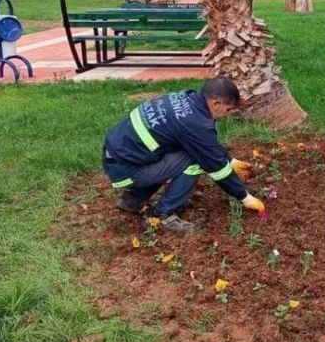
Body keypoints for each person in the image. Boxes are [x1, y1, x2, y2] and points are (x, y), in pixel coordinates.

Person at [101, 77, 265, 233]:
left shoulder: (185, 98)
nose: (226, 115)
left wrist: (231, 160)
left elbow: (201, 143)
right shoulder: (196, 124)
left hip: (117, 157)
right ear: (216, 104)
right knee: (195, 160)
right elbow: (216, 168)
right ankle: (162, 214)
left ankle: (131, 201)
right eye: (228, 109)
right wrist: (245, 197)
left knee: (190, 151)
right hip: (125, 169)